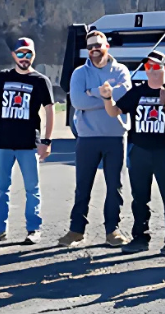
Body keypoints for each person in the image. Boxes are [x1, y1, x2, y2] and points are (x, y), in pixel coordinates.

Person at [100, 50, 165, 256]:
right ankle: (140, 238)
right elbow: (114, 112)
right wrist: (107, 97)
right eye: (148, 67)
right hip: (139, 151)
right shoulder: (137, 91)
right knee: (139, 198)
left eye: (156, 66)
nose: (151, 71)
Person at [0, 37, 55, 245]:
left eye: (28, 54)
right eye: (20, 53)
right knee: (2, 188)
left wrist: (46, 141)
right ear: (14, 55)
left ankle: (34, 229)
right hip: (3, 142)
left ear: (33, 55)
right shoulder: (3, 77)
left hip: (29, 143)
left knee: (32, 189)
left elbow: (49, 110)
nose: (24, 57)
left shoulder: (40, 80)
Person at [58, 31, 132, 248]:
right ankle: (76, 230)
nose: (94, 50)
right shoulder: (79, 73)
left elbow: (125, 95)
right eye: (90, 47)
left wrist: (92, 93)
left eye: (98, 45)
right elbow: (78, 101)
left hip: (115, 137)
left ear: (106, 46)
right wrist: (108, 98)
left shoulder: (120, 70)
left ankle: (113, 231)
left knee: (114, 186)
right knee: (83, 186)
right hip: (87, 137)